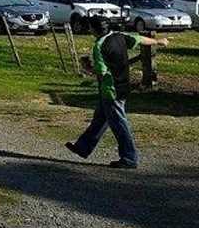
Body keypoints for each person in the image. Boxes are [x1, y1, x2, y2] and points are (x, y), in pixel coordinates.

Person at [65, 16, 168, 169]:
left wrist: (87, 67)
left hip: (110, 90)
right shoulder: (119, 36)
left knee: (119, 125)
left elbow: (102, 72)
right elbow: (139, 39)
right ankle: (83, 147)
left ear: (93, 30)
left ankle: (129, 158)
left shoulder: (99, 46)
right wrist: (158, 41)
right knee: (100, 118)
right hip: (123, 86)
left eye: (90, 28)